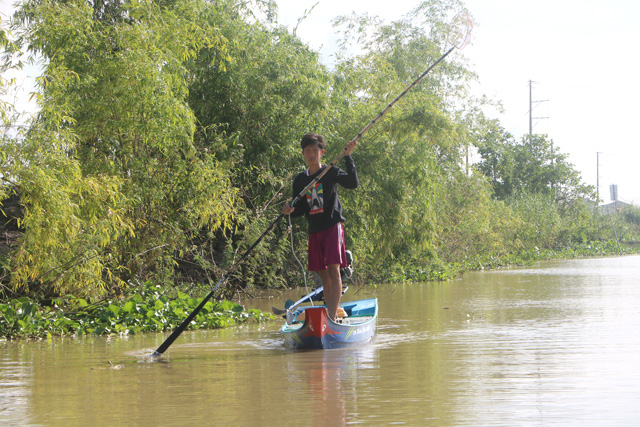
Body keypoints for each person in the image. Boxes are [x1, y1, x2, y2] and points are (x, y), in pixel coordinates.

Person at [282, 133, 358, 321]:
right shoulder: (300, 180)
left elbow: (352, 183)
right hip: (315, 230)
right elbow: (299, 208)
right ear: (303, 154)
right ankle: (329, 311)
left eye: (315, 151)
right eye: (308, 151)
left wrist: (348, 156)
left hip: (332, 226)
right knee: (324, 276)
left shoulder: (330, 171)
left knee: (334, 271)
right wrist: (289, 211)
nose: (312, 154)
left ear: (322, 152)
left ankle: (332, 317)